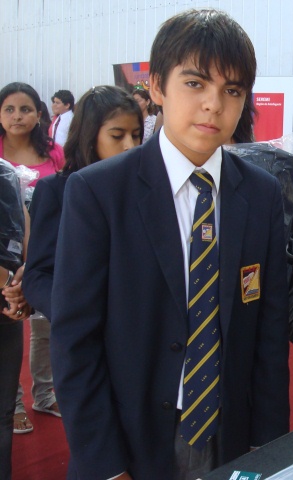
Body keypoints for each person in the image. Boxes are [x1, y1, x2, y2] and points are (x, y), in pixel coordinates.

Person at [50, 9, 289, 479]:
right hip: (130, 437)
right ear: (157, 87)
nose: (214, 105)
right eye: (196, 84)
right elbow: (75, 340)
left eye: (233, 90)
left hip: (231, 431)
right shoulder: (99, 192)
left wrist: (268, 446)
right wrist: (104, 464)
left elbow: (268, 331)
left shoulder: (260, 193)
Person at [23, 85, 143, 326]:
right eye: (117, 136)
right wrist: (74, 316)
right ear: (89, 135)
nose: (130, 145)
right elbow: (38, 276)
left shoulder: (146, 190)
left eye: (137, 134)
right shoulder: (56, 190)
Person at [0, 81, 65, 434]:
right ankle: (12, 402)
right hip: (5, 257)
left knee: (43, 326)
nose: (17, 116)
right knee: (9, 327)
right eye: (9, 109)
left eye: (25, 109)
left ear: (39, 114)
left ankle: (44, 393)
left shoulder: (53, 152)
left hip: (44, 249)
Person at [0, 159, 30, 479]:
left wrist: (21, 280)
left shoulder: (5, 172)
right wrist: (15, 284)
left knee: (3, 413)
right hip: (8, 298)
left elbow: (22, 229)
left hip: (6, 306)